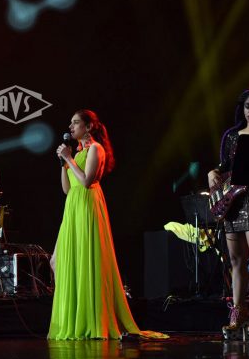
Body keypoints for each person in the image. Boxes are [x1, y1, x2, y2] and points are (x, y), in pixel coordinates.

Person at [49, 109, 165, 340]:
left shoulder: (95, 149)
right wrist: (64, 163)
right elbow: (67, 189)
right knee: (56, 261)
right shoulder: (77, 153)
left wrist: (69, 159)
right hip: (72, 207)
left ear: (89, 126)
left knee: (86, 260)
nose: (70, 127)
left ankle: (90, 318)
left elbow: (86, 181)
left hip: (87, 206)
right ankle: (72, 316)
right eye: (70, 123)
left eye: (75, 122)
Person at [207, 88, 249, 340]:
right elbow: (225, 166)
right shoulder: (232, 136)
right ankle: (239, 311)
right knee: (235, 260)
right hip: (233, 200)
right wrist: (213, 172)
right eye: (247, 106)